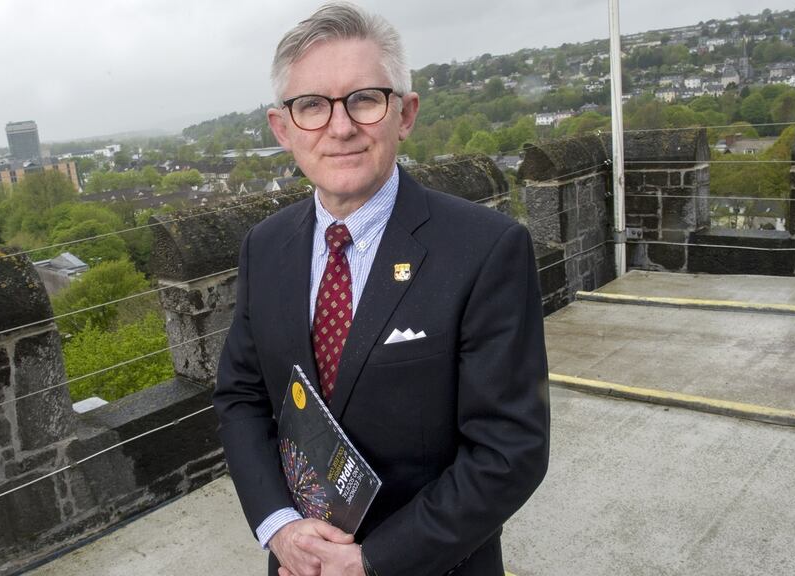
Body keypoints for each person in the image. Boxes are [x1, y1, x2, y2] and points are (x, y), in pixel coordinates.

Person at [213, 3, 550, 575]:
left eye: (363, 99)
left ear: (405, 112)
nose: (340, 127)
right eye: (312, 105)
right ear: (282, 127)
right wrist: (279, 527)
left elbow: (508, 452)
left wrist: (371, 562)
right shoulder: (263, 247)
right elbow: (242, 398)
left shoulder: (486, 249)